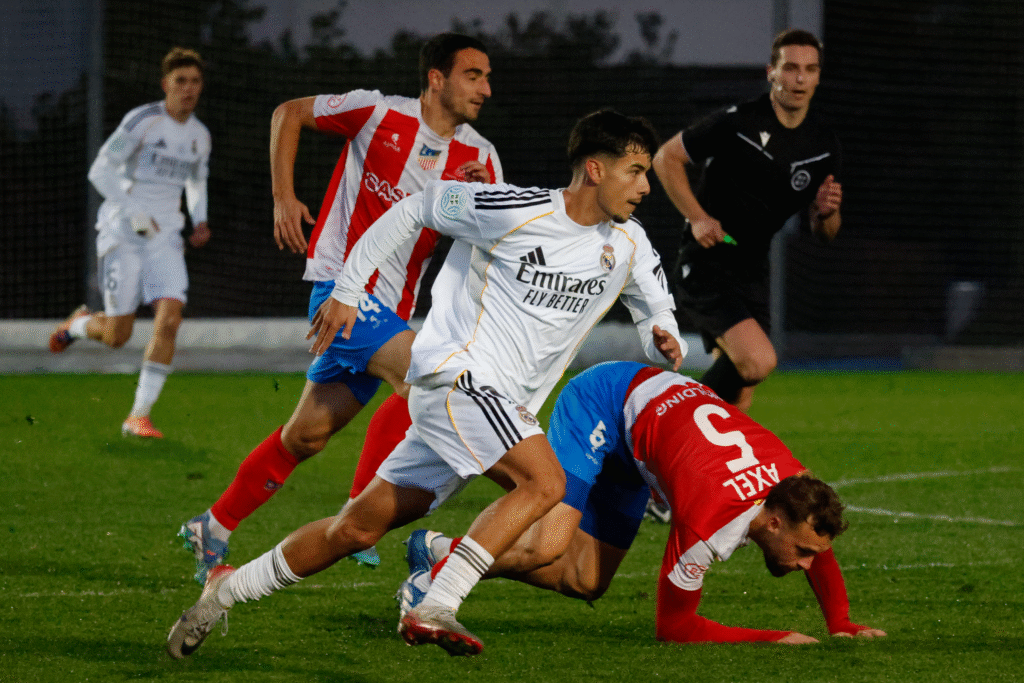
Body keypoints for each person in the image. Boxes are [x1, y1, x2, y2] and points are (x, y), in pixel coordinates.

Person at [166, 109, 685, 660]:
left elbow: (656, 310)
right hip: (457, 380)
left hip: (491, 409)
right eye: (635, 171)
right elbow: (415, 207)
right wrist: (347, 289)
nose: (645, 187)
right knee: (544, 483)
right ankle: (436, 603)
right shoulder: (514, 209)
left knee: (355, 530)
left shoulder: (630, 243)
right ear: (595, 169)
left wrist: (663, 339)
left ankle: (226, 590)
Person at [176, 34, 501, 584]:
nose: (486, 89)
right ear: (436, 78)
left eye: (488, 77)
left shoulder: (482, 157)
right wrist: (283, 197)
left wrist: (484, 197)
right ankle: (383, 513)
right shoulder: (376, 113)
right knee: (429, 380)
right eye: (474, 75)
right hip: (341, 294)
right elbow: (288, 113)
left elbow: (495, 239)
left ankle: (213, 524)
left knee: (304, 437)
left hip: (390, 313)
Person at [400, 361, 887, 644]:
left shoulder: (792, 483)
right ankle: (433, 583)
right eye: (802, 554)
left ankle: (442, 549)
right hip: (603, 400)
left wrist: (840, 622)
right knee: (545, 545)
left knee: (584, 580)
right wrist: (774, 637)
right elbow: (674, 628)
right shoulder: (706, 524)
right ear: (774, 523)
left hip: (644, 434)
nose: (806, 564)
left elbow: (815, 537)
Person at [652, 29, 842, 412]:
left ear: (818, 77)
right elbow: (665, 158)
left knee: (741, 391)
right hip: (707, 262)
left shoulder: (823, 145)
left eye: (809, 69)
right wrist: (698, 217)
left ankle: (693, 445)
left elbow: (825, 233)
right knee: (757, 361)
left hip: (752, 270)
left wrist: (827, 212)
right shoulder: (737, 122)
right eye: (790, 68)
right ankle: (664, 418)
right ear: (771, 72)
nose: (799, 79)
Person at [48, 47, 212, 438]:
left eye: (195, 82)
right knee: (117, 336)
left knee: (170, 319)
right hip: (123, 233)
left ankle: (138, 415)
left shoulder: (200, 136)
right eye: (180, 81)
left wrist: (200, 219)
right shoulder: (143, 121)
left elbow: (195, 181)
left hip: (165, 238)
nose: (188, 89)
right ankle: (79, 324)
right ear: (165, 85)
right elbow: (100, 170)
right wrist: (135, 211)